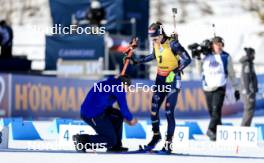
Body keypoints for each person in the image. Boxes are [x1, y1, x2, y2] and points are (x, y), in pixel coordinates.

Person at [134, 22, 191, 152]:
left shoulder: (173, 43)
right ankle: (156, 136)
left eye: (155, 38)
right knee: (153, 110)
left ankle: (168, 143)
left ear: (161, 34)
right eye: (152, 39)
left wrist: (175, 71)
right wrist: (138, 61)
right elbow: (154, 55)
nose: (154, 41)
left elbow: (187, 59)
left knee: (168, 111)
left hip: (172, 79)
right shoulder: (156, 42)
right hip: (160, 79)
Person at [73, 75, 138, 153]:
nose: (128, 90)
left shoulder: (111, 82)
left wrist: (125, 118)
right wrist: (131, 119)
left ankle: (116, 146)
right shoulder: (119, 88)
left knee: (118, 116)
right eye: (128, 87)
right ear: (124, 84)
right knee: (110, 139)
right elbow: (124, 108)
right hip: (92, 114)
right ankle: (82, 141)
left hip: (98, 109)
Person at [199, 36, 240, 141]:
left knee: (216, 110)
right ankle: (218, 132)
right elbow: (198, 68)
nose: (219, 46)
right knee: (212, 112)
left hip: (220, 87)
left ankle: (210, 130)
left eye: (221, 44)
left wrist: (236, 88)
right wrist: (198, 54)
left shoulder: (226, 57)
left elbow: (232, 73)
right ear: (212, 45)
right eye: (217, 44)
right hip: (207, 87)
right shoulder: (206, 56)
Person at [240, 47, 258, 126]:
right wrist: (248, 91)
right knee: (249, 110)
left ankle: (246, 127)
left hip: (250, 91)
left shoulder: (250, 63)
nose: (254, 55)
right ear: (250, 54)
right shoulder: (247, 64)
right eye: (253, 54)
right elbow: (246, 78)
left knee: (250, 110)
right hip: (248, 91)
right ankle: (244, 128)